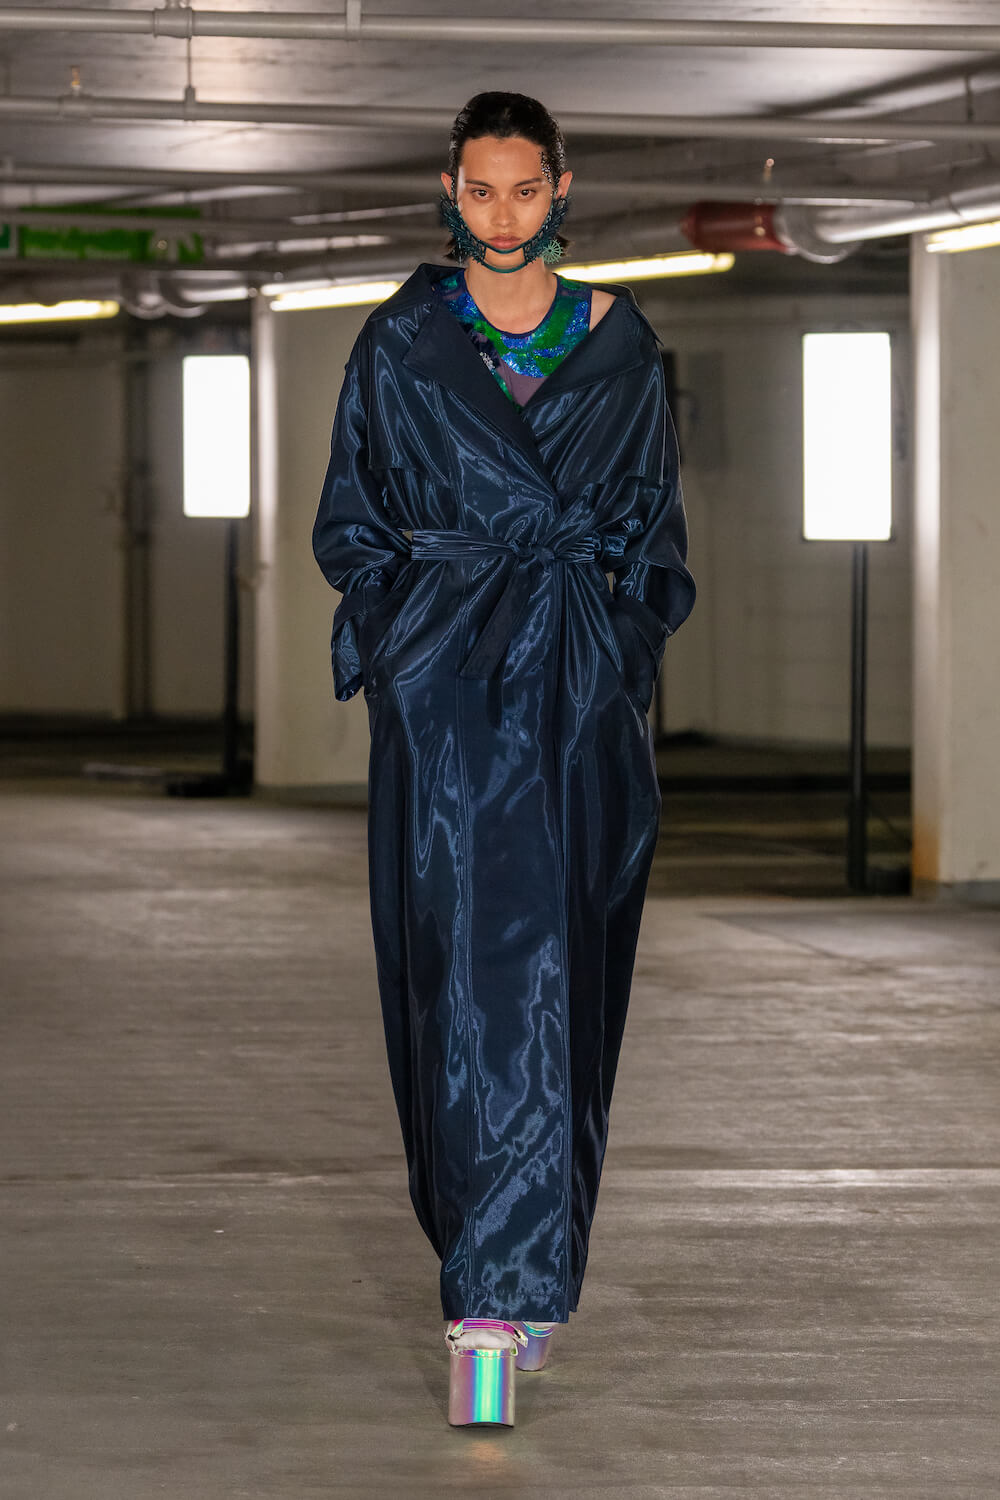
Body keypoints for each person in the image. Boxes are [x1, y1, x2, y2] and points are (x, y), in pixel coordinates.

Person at [313, 91, 696, 1428]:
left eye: (525, 189)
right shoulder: (402, 343)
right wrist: (407, 648)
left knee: (562, 972)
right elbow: (353, 520)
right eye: (480, 190)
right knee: (459, 975)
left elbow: (654, 533)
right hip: (449, 695)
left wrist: (613, 648)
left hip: (575, 695)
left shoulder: (621, 346)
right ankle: (491, 1272)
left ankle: (512, 1277)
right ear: (450, 190)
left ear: (562, 189)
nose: (502, 213)